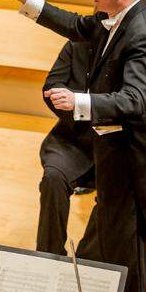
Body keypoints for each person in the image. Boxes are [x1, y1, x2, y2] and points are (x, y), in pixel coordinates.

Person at [1, 0, 146, 292]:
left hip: (133, 158)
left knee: (128, 251)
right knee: (115, 246)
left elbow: (133, 100)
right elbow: (76, 25)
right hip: (114, 151)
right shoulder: (119, 18)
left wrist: (79, 101)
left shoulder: (143, 32)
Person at [36, 38, 94, 255]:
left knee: (119, 192)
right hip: (74, 135)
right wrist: (72, 104)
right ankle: (48, 255)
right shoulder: (79, 43)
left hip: (118, 143)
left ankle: (89, 259)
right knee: (53, 177)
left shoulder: (139, 45)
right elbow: (52, 84)